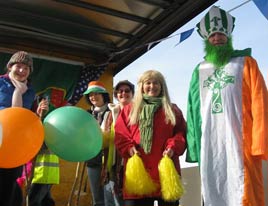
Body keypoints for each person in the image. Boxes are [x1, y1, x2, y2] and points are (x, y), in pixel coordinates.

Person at [186, 6, 268, 206]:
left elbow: (261, 102)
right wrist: (195, 147)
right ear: (207, 39)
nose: (217, 38)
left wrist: (259, 142)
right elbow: (192, 110)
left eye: (221, 34)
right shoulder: (199, 70)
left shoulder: (246, 63)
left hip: (242, 142)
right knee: (213, 190)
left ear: (228, 36)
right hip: (211, 146)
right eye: (213, 35)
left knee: (245, 192)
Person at [114, 70, 186, 206]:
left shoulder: (173, 110)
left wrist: (172, 147)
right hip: (138, 173)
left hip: (166, 174)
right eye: (148, 83)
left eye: (156, 83)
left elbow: (181, 133)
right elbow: (120, 134)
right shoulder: (129, 109)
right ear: (142, 86)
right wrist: (129, 148)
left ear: (162, 86)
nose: (152, 86)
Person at [0, 51, 48, 206]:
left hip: (15, 146)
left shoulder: (31, 91)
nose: (22, 70)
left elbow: (24, 119)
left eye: (26, 68)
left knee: (10, 181)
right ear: (9, 67)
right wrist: (17, 91)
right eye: (18, 66)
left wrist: (38, 114)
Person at [104, 80, 135, 206]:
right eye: (119, 91)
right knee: (115, 199)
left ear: (132, 94)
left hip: (132, 160)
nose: (123, 93)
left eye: (127, 91)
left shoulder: (138, 111)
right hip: (113, 162)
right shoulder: (109, 114)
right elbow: (104, 136)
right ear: (116, 95)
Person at [83, 80, 112, 206]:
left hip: (111, 161)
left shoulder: (113, 111)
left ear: (103, 95)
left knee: (111, 197)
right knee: (97, 199)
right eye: (90, 95)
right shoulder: (87, 114)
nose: (93, 97)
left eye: (96, 94)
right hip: (93, 160)